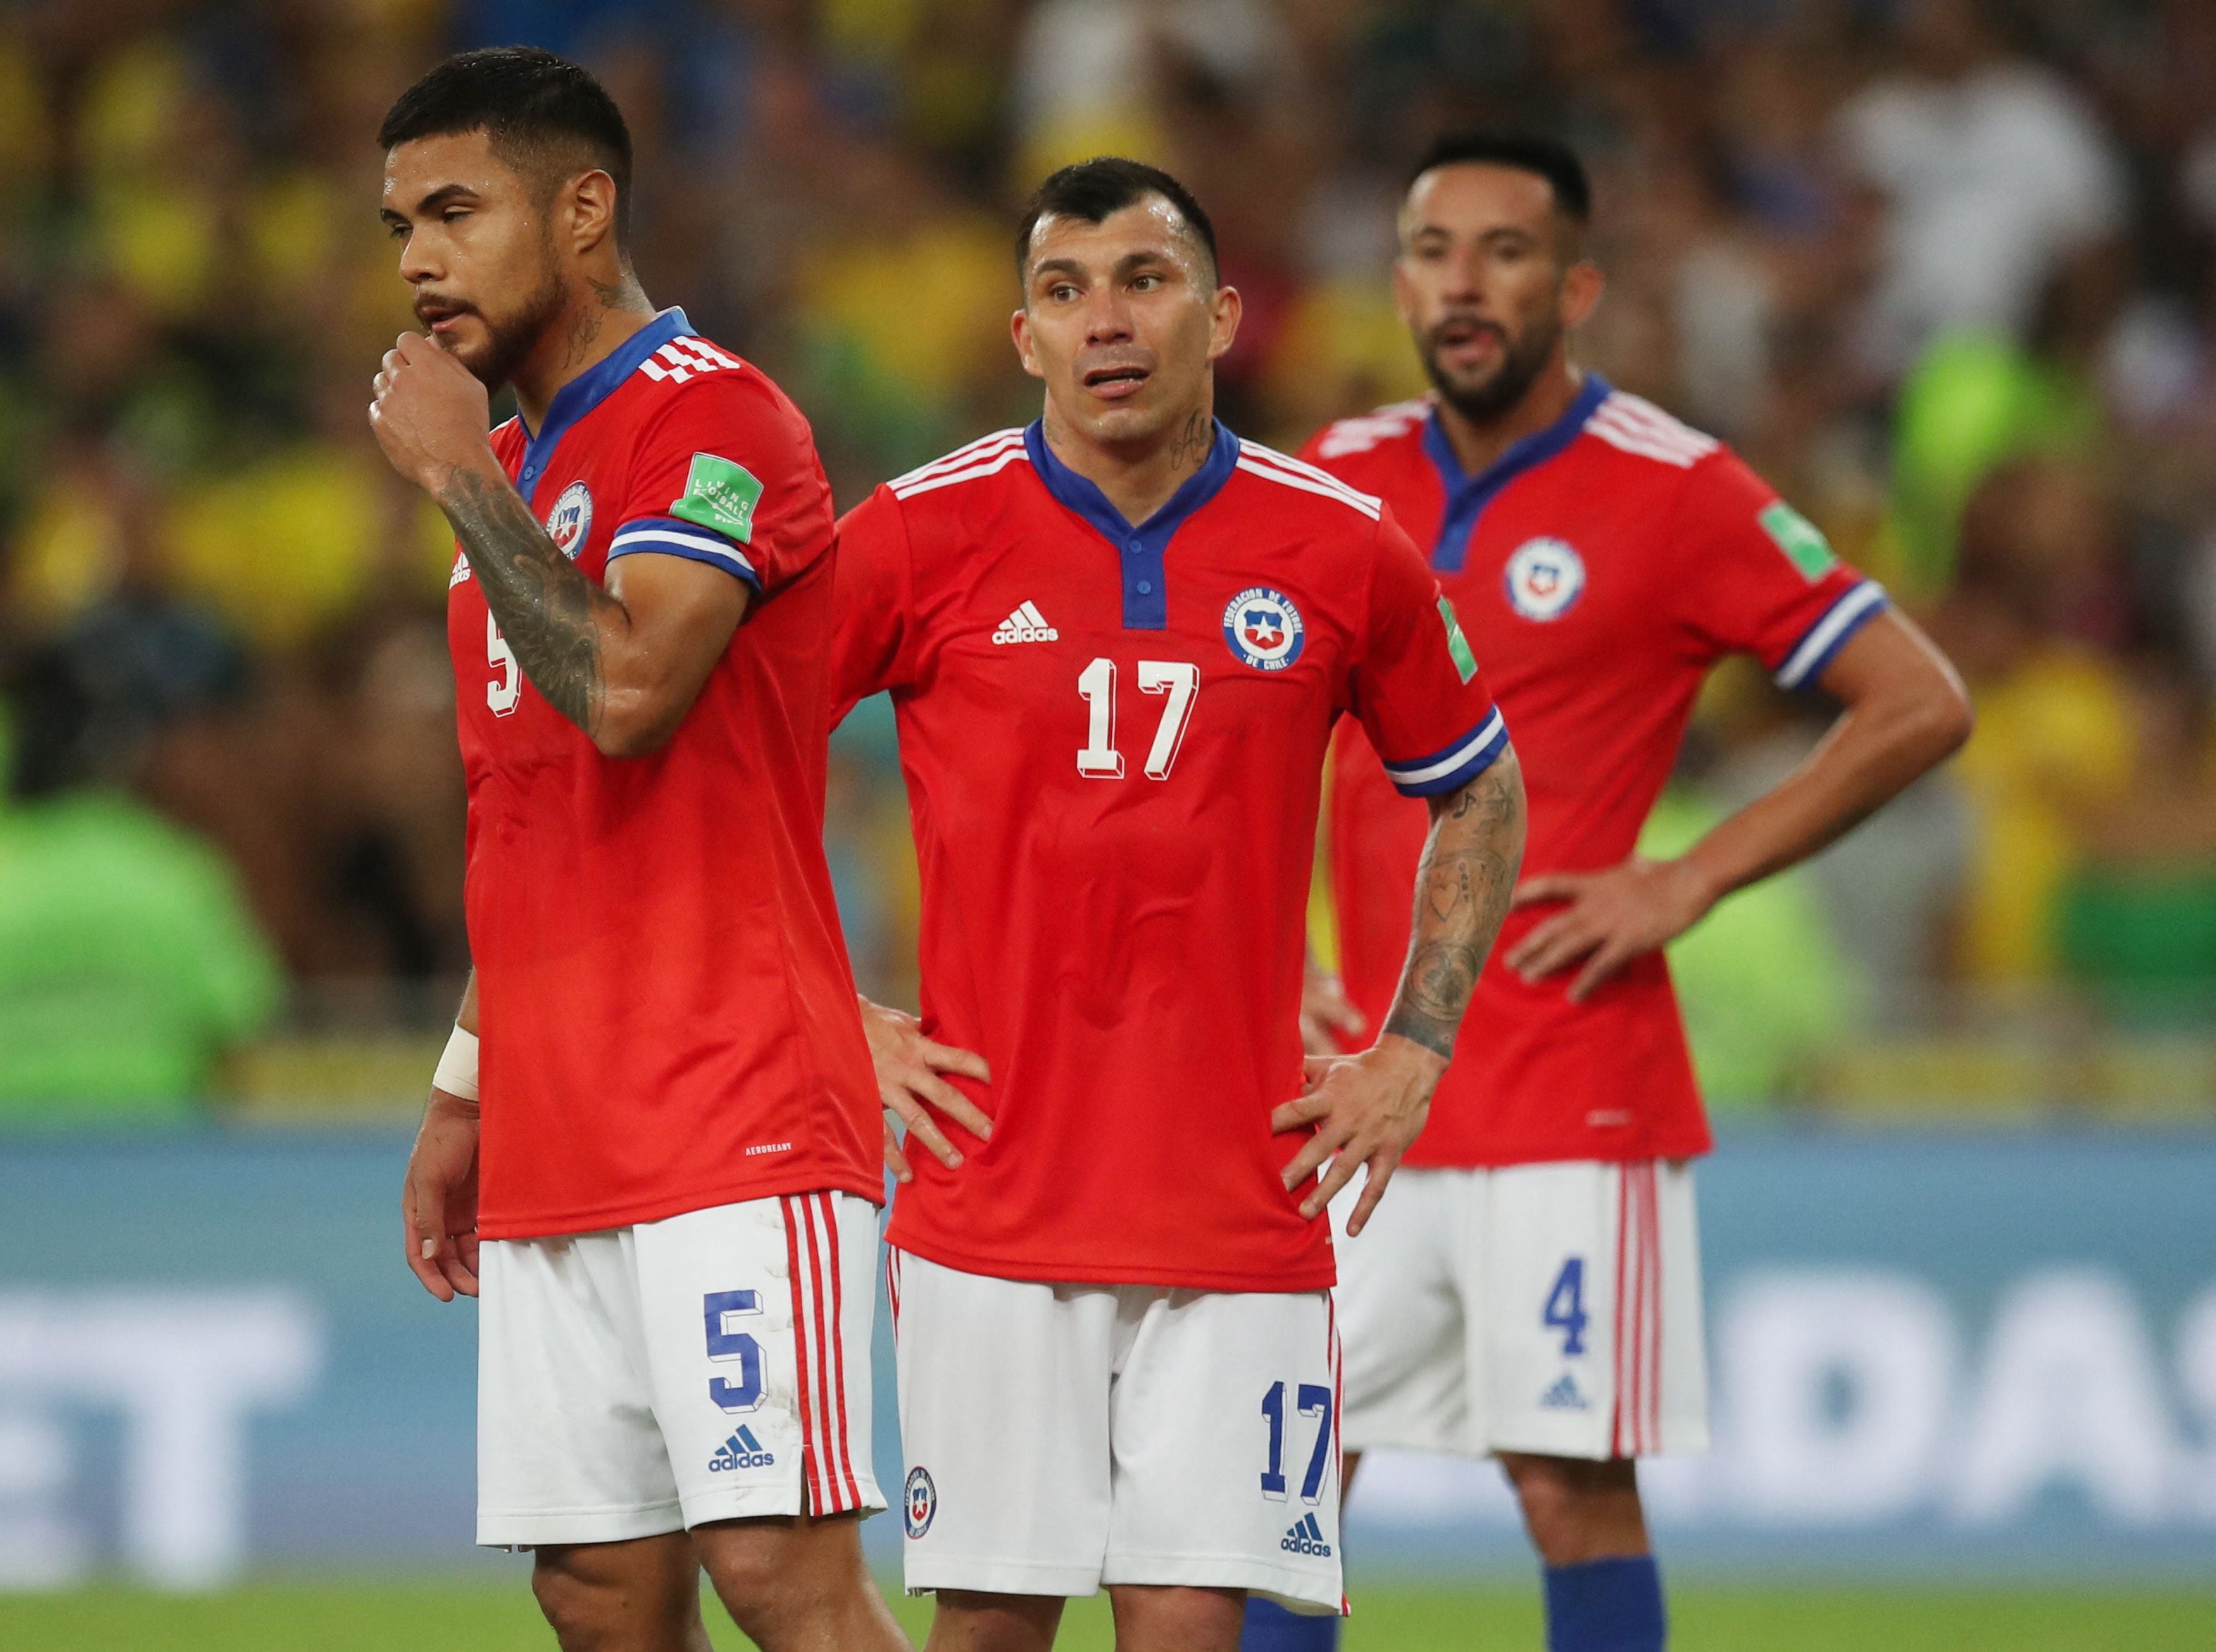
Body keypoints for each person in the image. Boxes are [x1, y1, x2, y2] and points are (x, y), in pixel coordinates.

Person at [1236, 133, 1972, 1652]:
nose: (1463, 283)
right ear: (1396, 284)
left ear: (1573, 284)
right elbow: (1248, 729)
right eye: (1435, 250)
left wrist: (1689, 874)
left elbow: (1917, 700)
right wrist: (1272, 953)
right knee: (1283, 1479)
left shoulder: (1677, 487)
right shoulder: (1331, 478)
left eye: (1504, 251)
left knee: (1571, 1493)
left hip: (1569, 1076)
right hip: (1354, 1085)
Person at [832, 158, 1528, 1652]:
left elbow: (1477, 783)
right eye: (1064, 292)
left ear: (1218, 316)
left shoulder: (1337, 549)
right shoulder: (913, 536)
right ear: (1021, 337)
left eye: (1142, 283)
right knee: (993, 1627)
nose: (1106, 324)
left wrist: (1416, 1041)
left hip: (1239, 1197)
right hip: (988, 1189)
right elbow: (711, 770)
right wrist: (831, 1017)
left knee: (1190, 1625)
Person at [367, 48, 901, 1652]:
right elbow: (529, 821)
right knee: (594, 1591)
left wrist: (454, 469)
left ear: (583, 211)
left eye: (456, 211)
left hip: (734, 1103)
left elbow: (623, 694)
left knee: (781, 1580)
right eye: (397, 225)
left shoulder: (714, 420)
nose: (415, 261)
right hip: (563, 1124)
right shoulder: (515, 487)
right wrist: (471, 1084)